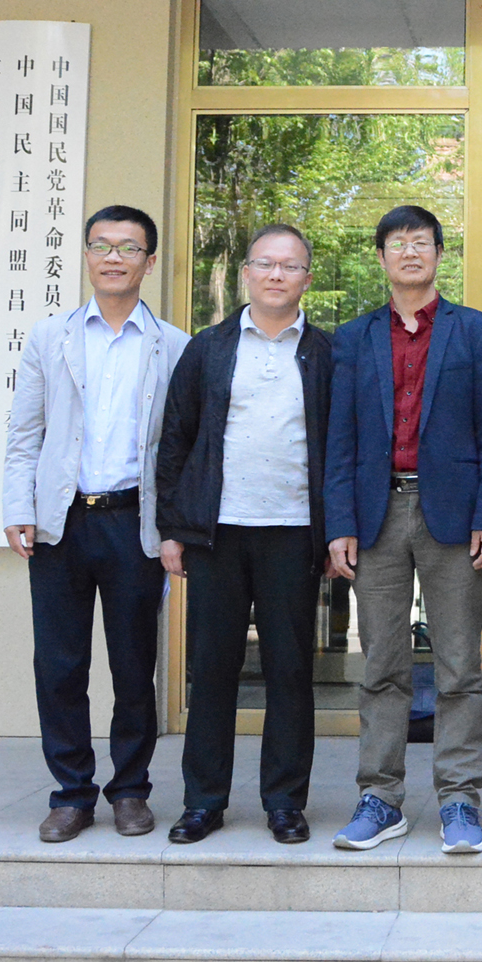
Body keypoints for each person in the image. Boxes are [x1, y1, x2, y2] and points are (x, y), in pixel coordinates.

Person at [324, 205, 482, 855]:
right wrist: (339, 522)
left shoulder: (477, 333)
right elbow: (340, 440)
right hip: (375, 515)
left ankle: (460, 799)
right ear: (381, 257)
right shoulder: (353, 338)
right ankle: (380, 798)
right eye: (398, 243)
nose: (410, 252)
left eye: (422, 242)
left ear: (438, 254)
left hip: (453, 517)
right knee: (381, 664)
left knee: (459, 667)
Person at [4, 206, 189, 843]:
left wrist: (174, 527)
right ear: (86, 256)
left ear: (149, 262)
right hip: (61, 524)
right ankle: (72, 793)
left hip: (133, 522)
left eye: (129, 248)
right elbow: (25, 433)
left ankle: (131, 790)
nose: (114, 258)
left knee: (135, 667)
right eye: (102, 246)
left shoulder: (173, 345)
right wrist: (18, 509)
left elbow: (178, 449)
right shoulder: (49, 337)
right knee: (59, 665)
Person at [155, 224, 333, 846]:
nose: (277, 274)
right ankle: (203, 801)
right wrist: (172, 529)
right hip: (217, 533)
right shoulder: (208, 348)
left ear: (307, 278)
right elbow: (176, 440)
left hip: (294, 531)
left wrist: (336, 533)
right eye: (265, 263)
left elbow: (341, 448)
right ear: (246, 274)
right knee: (212, 669)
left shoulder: (327, 352)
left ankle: (285, 802)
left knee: (290, 670)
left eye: (290, 265)